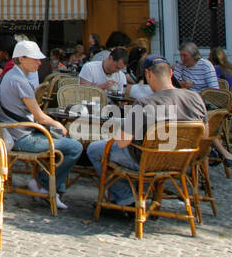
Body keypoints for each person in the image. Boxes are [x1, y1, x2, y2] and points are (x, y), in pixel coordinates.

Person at [87, 59, 210, 207]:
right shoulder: (195, 98)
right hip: (182, 161)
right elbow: (205, 136)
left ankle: (126, 198)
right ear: (171, 73)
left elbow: (122, 142)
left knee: (95, 149)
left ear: (148, 74)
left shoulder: (145, 103)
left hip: (147, 162)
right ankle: (134, 196)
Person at [0, 40, 84, 209]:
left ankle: (53, 189)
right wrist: (58, 124)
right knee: (75, 147)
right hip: (22, 137)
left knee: (68, 141)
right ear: (21, 58)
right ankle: (43, 184)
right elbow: (39, 116)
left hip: (16, 131)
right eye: (35, 58)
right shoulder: (20, 81)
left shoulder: (11, 75)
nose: (39, 62)